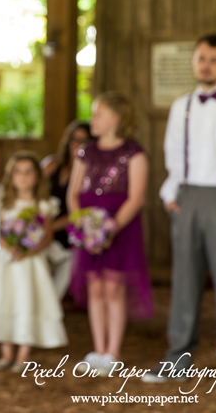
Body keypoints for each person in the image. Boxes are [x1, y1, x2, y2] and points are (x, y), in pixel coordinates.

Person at [143, 34, 216, 390]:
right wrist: (170, 194)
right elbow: (174, 154)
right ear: (194, 60)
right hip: (187, 198)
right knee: (184, 284)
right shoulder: (182, 105)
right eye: (202, 58)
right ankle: (178, 358)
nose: (206, 65)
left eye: (215, 59)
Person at [67, 92, 152, 376]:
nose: (93, 120)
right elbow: (73, 195)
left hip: (120, 229)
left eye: (98, 114)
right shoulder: (85, 152)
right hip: (90, 228)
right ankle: (97, 348)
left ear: (115, 118)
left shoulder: (134, 153)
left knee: (114, 288)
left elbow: (136, 198)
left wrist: (108, 229)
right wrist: (87, 229)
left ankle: (113, 352)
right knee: (96, 288)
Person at [0, 151, 68, 373]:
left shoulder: (43, 204)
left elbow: (47, 235)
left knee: (27, 301)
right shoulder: (3, 200)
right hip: (7, 260)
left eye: (28, 172)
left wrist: (30, 248)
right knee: (5, 300)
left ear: (37, 176)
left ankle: (23, 356)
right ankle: (7, 353)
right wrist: (11, 247)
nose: (23, 177)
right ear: (10, 176)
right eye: (17, 172)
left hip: (31, 263)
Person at [41, 120, 93, 298]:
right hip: (41, 224)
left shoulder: (90, 175)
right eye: (74, 139)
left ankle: (52, 302)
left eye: (84, 141)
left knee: (71, 258)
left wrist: (50, 227)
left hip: (67, 229)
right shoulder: (52, 165)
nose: (77, 144)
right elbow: (33, 195)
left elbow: (80, 212)